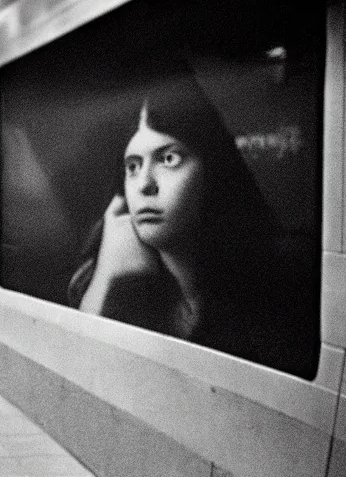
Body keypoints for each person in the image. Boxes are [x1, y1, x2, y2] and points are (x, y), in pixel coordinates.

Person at [68, 69, 318, 379]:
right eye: (133, 166)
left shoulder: (278, 290)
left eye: (169, 159)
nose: (145, 184)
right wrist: (106, 276)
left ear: (213, 172)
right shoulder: (102, 275)